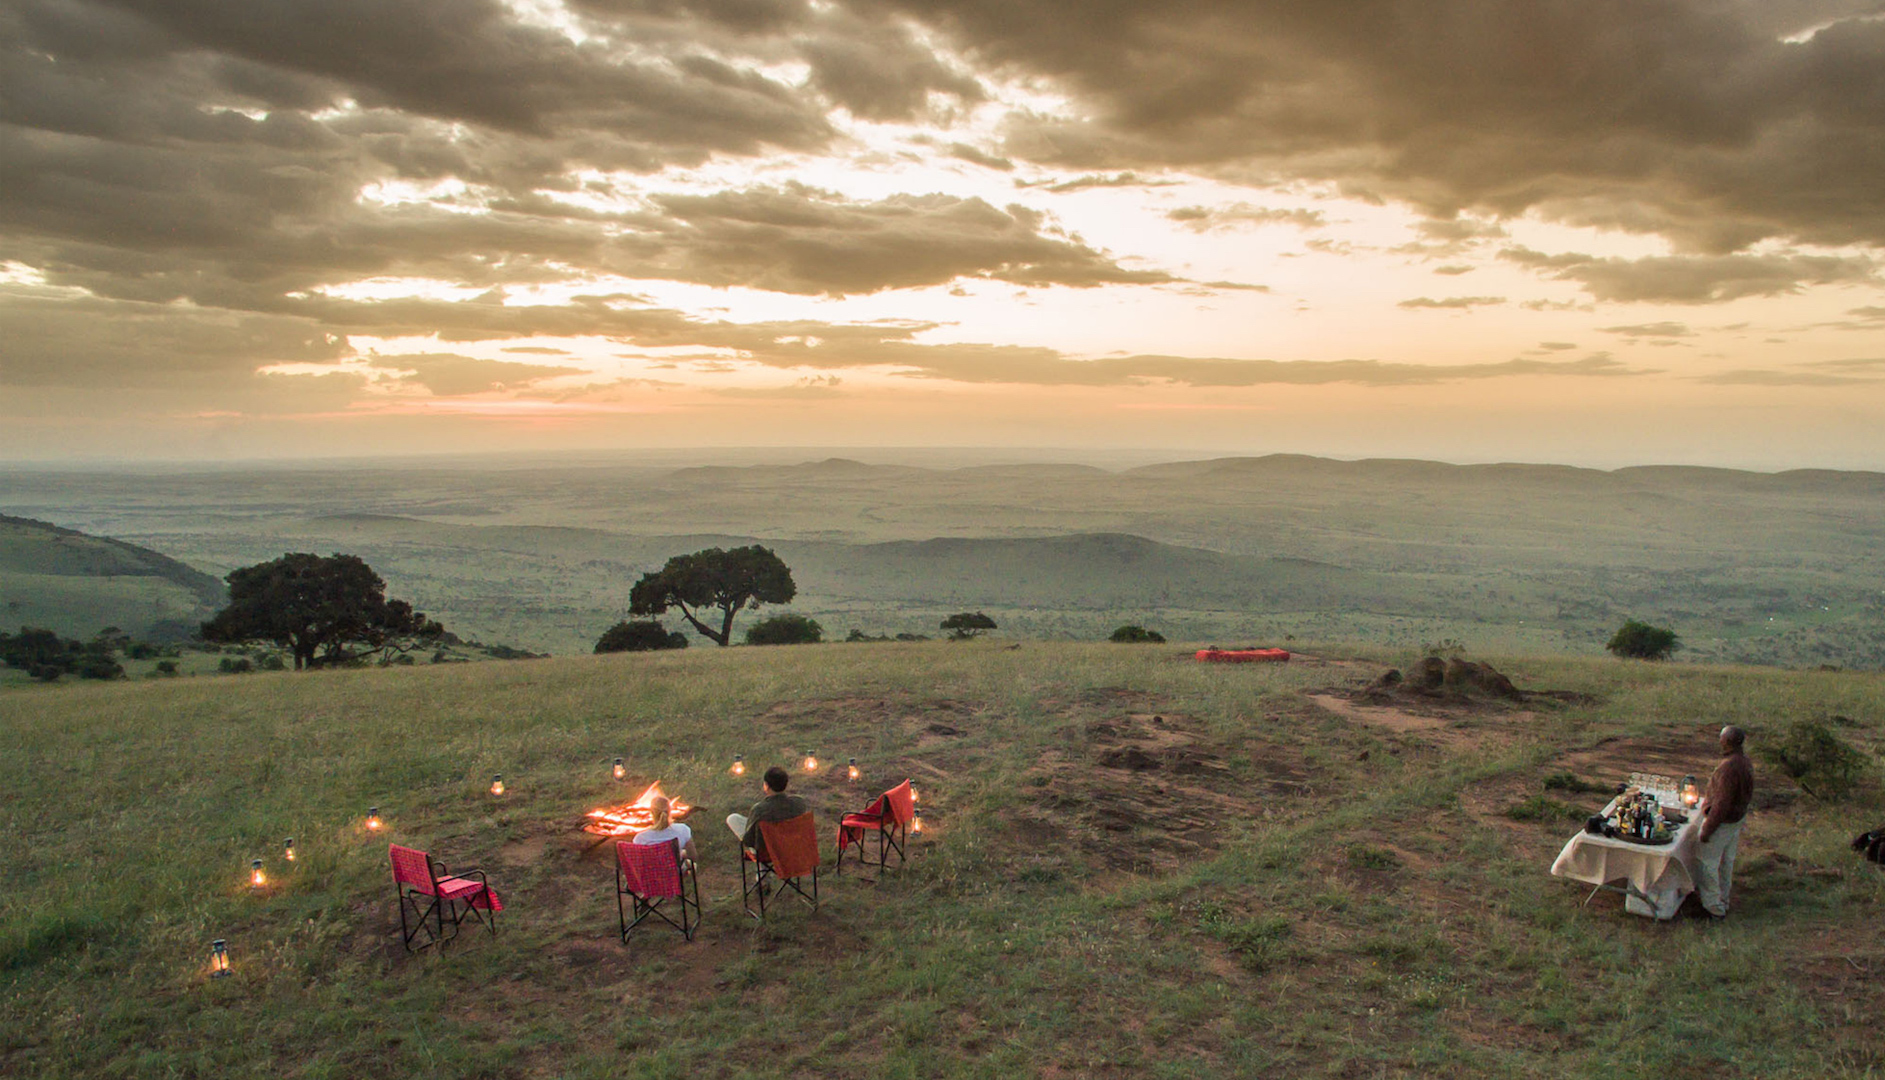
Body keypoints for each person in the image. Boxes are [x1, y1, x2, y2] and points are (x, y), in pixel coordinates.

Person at [1691, 724, 1754, 918]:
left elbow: (1721, 803)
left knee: (1706, 862)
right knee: (1726, 862)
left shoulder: (1728, 768)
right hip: (1736, 818)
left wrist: (1707, 829)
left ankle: (1712, 908)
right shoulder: (1745, 761)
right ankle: (1722, 900)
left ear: (1727, 742)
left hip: (1724, 821)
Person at [725, 765, 811, 857]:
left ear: (766, 786)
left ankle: (761, 869)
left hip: (767, 852)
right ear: (786, 784)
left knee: (733, 818)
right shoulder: (799, 803)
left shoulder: (760, 809)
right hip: (793, 846)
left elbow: (749, 840)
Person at [633, 795, 696, 866]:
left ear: (651, 813)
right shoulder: (683, 829)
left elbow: (638, 863)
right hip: (674, 872)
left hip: (650, 873)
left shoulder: (640, 838)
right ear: (670, 811)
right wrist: (682, 853)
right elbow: (692, 856)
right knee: (693, 865)